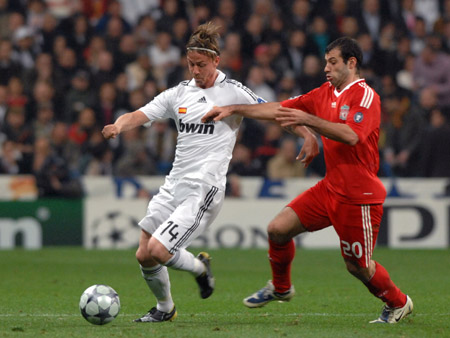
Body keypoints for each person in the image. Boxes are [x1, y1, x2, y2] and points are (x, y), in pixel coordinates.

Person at [102, 21, 320, 323]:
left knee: (159, 249)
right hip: (174, 185)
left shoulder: (233, 92)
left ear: (216, 61)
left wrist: (307, 133)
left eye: (200, 64)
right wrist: (119, 125)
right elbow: (141, 113)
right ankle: (165, 309)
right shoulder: (178, 94)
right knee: (143, 254)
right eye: (190, 64)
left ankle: (201, 269)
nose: (195, 70)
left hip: (203, 189)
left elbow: (274, 112)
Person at [202, 37, 413, 324]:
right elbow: (280, 110)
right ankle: (281, 288)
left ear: (352, 63)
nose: (326, 68)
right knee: (277, 229)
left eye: (333, 62)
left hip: (357, 196)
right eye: (326, 62)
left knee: (358, 267)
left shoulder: (365, 96)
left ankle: (398, 302)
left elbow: (352, 136)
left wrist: (309, 122)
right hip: (331, 188)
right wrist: (234, 110)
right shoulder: (324, 93)